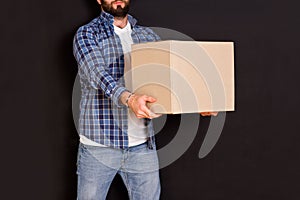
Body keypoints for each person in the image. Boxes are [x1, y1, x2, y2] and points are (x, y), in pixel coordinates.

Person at [73, 0, 217, 199]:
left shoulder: (147, 36)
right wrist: (130, 99)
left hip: (142, 146)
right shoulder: (87, 34)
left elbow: (168, 79)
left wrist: (197, 103)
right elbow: (97, 74)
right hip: (99, 147)